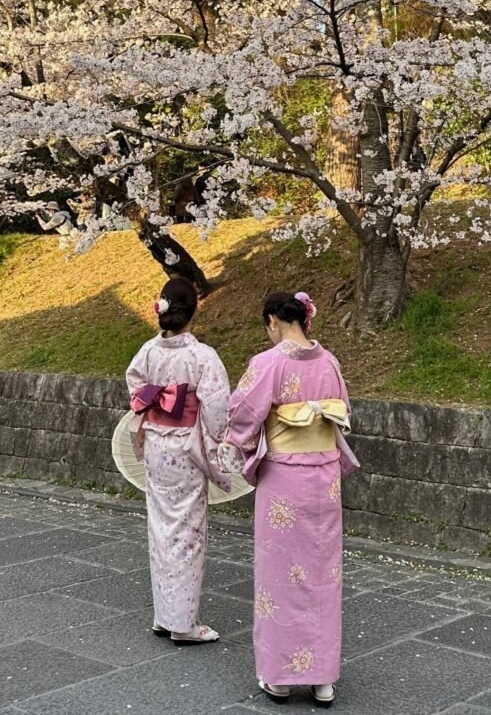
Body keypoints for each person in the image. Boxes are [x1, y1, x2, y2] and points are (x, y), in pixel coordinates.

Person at [224, 291, 351, 708]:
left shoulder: (268, 363)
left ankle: (279, 677)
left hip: (285, 478)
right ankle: (322, 680)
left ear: (274, 322)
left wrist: (241, 446)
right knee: (321, 573)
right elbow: (343, 410)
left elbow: (242, 412)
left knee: (280, 575)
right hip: (325, 479)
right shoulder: (330, 361)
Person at [126, 277, 231, 643]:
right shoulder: (201, 356)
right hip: (186, 447)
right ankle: (183, 624)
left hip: (157, 443)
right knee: (187, 532)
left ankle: (164, 615)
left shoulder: (149, 352)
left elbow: (135, 385)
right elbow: (218, 407)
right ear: (193, 312)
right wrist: (218, 443)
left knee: (160, 527)